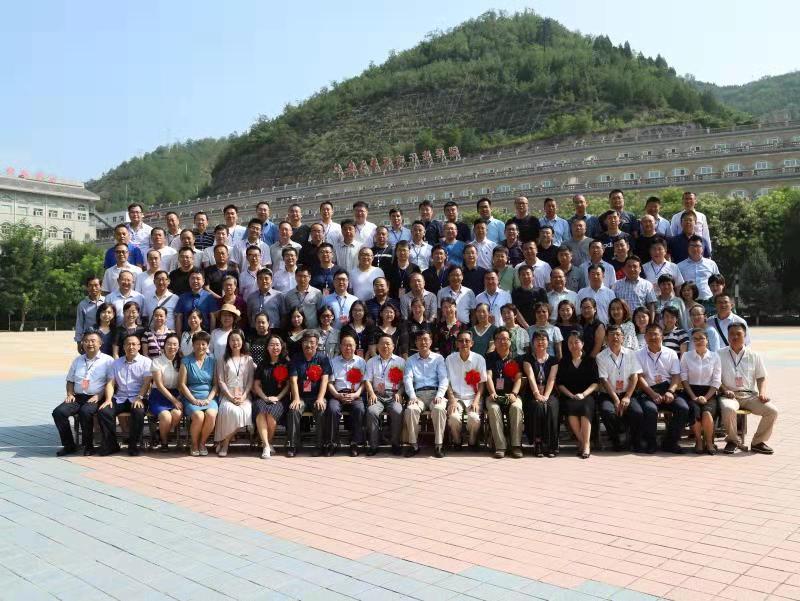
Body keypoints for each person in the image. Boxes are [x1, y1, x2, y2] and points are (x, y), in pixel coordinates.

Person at [52, 330, 114, 456]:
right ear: (82, 344)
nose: (89, 344)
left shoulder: (108, 360)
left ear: (100, 343)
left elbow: (111, 382)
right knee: (58, 412)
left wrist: (100, 395)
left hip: (96, 397)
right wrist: (70, 394)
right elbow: (70, 380)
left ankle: (88, 446)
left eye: (93, 341)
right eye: (86, 341)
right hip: (78, 397)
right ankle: (69, 445)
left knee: (85, 412)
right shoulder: (78, 360)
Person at [719, 323, 777, 455]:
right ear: (727, 336)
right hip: (729, 395)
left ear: (745, 335)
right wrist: (724, 389)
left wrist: (762, 393)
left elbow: (762, 377)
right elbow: (715, 378)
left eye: (738, 334)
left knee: (772, 411)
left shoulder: (754, 355)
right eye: (731, 334)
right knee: (728, 409)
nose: (734, 337)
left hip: (750, 396)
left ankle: (757, 442)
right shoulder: (719, 354)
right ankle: (733, 441)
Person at [634, 323, 689, 454]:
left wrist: (670, 391)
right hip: (648, 390)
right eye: (649, 334)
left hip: (667, 388)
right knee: (650, 410)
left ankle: (669, 442)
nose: (652, 337)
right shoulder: (638, 354)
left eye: (656, 334)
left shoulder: (671, 353)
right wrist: (652, 394)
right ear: (645, 337)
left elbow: (676, 376)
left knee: (683, 408)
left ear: (662, 336)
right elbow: (639, 378)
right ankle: (651, 443)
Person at [98, 334, 152, 456]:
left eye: (134, 344)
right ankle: (111, 444)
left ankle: (133, 445)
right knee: (104, 411)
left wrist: (140, 397)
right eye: (128, 344)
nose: (131, 347)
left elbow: (147, 382)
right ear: (123, 347)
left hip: (138, 397)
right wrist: (108, 399)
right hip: (120, 397)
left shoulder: (146, 362)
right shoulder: (116, 363)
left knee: (138, 411)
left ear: (139, 346)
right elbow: (110, 383)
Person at [596, 325, 644, 452]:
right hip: (608, 394)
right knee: (607, 411)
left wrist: (627, 397)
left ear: (623, 338)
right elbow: (604, 380)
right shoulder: (600, 356)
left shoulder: (631, 354)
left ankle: (635, 441)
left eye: (618, 334)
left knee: (637, 412)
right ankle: (617, 440)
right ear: (606, 338)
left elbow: (634, 376)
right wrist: (616, 399)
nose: (615, 337)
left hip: (627, 393)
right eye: (611, 334)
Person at [286, 330, 332, 457]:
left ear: (317, 345)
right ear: (302, 344)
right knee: (293, 410)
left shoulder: (323, 358)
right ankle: (293, 445)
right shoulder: (296, 359)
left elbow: (325, 379)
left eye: (312, 342)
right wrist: (296, 398)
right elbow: (293, 380)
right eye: (306, 342)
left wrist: (320, 398)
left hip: (317, 396)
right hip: (301, 397)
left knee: (320, 409)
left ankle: (320, 445)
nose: (309, 345)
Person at [403, 331, 449, 458]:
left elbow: (444, 378)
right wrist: (412, 396)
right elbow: (407, 379)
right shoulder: (410, 360)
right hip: (418, 395)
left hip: (435, 393)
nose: (423, 342)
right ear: (416, 342)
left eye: (425, 339)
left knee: (439, 409)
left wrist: (439, 395)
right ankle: (413, 445)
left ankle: (439, 445)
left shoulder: (439, 358)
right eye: (419, 339)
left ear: (431, 342)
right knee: (411, 410)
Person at [557, 330, 599, 459]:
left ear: (582, 344)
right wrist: (571, 395)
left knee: (586, 408)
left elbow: (595, 383)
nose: (573, 345)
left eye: (576, 342)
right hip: (569, 396)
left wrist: (583, 394)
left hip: (587, 395)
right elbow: (560, 384)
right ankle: (583, 442)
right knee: (571, 407)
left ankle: (585, 445)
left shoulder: (590, 361)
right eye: (570, 342)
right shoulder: (563, 361)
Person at [483, 327, 524, 459]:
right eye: (499, 339)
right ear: (494, 341)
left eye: (505, 339)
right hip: (493, 395)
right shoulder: (489, 357)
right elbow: (488, 376)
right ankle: (500, 446)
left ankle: (516, 445)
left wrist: (514, 394)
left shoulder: (516, 358)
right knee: (493, 408)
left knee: (516, 407)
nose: (502, 342)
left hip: (511, 394)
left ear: (510, 341)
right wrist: (493, 393)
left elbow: (518, 378)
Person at [214, 329, 255, 457]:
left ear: (242, 342)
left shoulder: (248, 359)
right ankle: (225, 442)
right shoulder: (222, 359)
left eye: (238, 340)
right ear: (228, 342)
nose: (235, 343)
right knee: (228, 410)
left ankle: (225, 442)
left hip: (244, 395)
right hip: (227, 394)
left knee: (246, 412)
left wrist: (243, 396)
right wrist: (231, 397)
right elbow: (221, 381)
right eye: (232, 340)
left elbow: (250, 381)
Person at [680, 328, 721, 455]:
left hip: (709, 392)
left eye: (701, 338)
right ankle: (698, 441)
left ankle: (709, 442)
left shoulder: (715, 357)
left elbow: (716, 381)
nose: (698, 341)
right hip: (691, 392)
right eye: (695, 339)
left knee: (707, 414)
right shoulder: (686, 356)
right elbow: (684, 379)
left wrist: (706, 397)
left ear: (707, 340)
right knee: (695, 412)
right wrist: (693, 397)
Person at [326, 332, 367, 457]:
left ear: (355, 347)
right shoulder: (333, 362)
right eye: (345, 345)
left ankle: (355, 443)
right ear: (340, 346)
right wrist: (337, 395)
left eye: (350, 345)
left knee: (359, 409)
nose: (348, 348)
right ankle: (332, 443)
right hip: (337, 394)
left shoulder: (361, 362)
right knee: (332, 409)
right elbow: (329, 383)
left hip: (355, 394)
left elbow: (364, 383)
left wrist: (356, 394)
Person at [364, 334, 406, 455]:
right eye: (382, 343)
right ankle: (373, 445)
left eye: (388, 343)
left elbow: (405, 382)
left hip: (394, 395)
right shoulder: (371, 361)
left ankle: (395, 444)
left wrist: (400, 393)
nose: (385, 346)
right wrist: (371, 393)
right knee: (371, 411)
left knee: (398, 411)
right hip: (377, 395)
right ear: (377, 346)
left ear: (393, 346)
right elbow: (367, 380)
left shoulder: (401, 361)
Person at [178, 330, 218, 456]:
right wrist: (193, 400)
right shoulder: (186, 360)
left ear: (208, 345)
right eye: (197, 344)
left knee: (211, 414)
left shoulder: (212, 360)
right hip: (191, 397)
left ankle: (202, 443)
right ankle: (194, 444)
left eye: (203, 344)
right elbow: (182, 384)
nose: (200, 347)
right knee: (199, 416)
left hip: (209, 397)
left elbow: (215, 384)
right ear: (193, 345)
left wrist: (209, 399)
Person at [444, 330, 484, 451]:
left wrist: (476, 401)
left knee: (474, 419)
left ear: (472, 343)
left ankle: (472, 441)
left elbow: (482, 384)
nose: (464, 343)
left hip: (473, 397)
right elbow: (447, 383)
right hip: (456, 397)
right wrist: (452, 400)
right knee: (453, 418)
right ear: (457, 343)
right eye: (461, 341)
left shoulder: (479, 359)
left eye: (467, 341)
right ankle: (457, 441)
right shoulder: (449, 359)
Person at [251, 334, 290, 458]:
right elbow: (256, 385)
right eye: (272, 345)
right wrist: (265, 398)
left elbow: (288, 385)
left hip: (280, 399)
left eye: (277, 345)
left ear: (281, 347)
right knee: (261, 411)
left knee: (271, 414)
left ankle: (266, 443)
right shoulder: (262, 364)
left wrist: (278, 398)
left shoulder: (286, 364)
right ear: (267, 347)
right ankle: (267, 446)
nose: (275, 347)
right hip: (262, 397)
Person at [523, 330, 560, 458]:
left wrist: (546, 396)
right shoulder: (527, 359)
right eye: (537, 339)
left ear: (548, 342)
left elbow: (551, 379)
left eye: (543, 339)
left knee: (551, 406)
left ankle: (551, 444)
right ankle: (538, 442)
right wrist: (536, 394)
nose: (540, 342)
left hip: (550, 393)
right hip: (533, 393)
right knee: (537, 406)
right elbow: (531, 377)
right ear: (533, 342)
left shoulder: (554, 360)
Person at [148, 332, 183, 452]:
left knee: (177, 414)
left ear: (178, 347)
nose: (172, 347)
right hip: (159, 394)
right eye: (169, 344)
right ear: (164, 345)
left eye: (175, 344)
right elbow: (159, 385)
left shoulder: (182, 362)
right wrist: (174, 400)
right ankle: (164, 442)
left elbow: (182, 383)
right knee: (166, 417)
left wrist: (178, 398)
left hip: (176, 394)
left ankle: (159, 433)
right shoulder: (157, 361)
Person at [678, 237, 720, 302]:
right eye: (692, 246)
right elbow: (678, 286)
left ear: (702, 248)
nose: (695, 249)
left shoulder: (711, 264)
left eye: (698, 246)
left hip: (708, 301)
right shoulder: (680, 266)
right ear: (688, 248)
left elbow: (718, 282)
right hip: (688, 302)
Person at [175, 270, 217, 335]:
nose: (195, 281)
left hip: (204, 335)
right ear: (189, 280)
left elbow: (213, 317)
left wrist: (212, 335)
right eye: (193, 278)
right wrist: (179, 336)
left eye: (198, 279)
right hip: (186, 335)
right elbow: (179, 317)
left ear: (203, 281)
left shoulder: (209, 297)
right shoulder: (183, 297)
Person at [74, 276, 105, 352]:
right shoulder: (82, 305)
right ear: (87, 288)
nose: (93, 288)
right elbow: (79, 324)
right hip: (89, 341)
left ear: (101, 286)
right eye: (90, 285)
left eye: (96, 285)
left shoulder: (107, 301)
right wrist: (79, 341)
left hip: (105, 338)